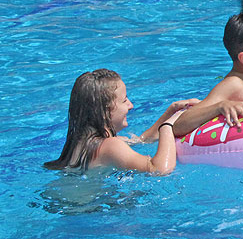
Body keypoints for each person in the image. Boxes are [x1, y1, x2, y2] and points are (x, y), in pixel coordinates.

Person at [45, 69, 209, 174]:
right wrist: (168, 127)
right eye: (124, 100)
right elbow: (160, 169)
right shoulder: (109, 146)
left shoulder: (85, 143)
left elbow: (143, 140)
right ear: (105, 111)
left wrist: (171, 111)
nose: (131, 105)